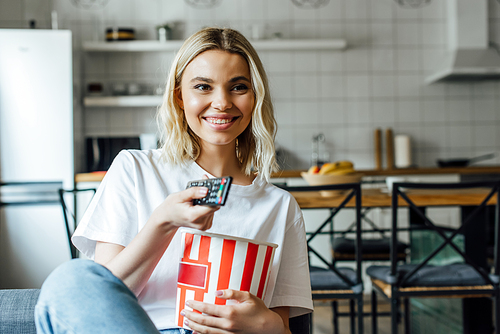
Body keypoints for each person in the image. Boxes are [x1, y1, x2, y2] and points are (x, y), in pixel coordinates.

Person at [35, 27, 313, 334]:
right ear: (180, 96)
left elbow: (285, 327)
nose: (221, 102)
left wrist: (267, 324)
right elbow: (95, 299)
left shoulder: (280, 206)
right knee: (71, 280)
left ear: (255, 96)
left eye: (238, 87)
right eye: (204, 87)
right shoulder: (135, 169)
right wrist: (162, 223)